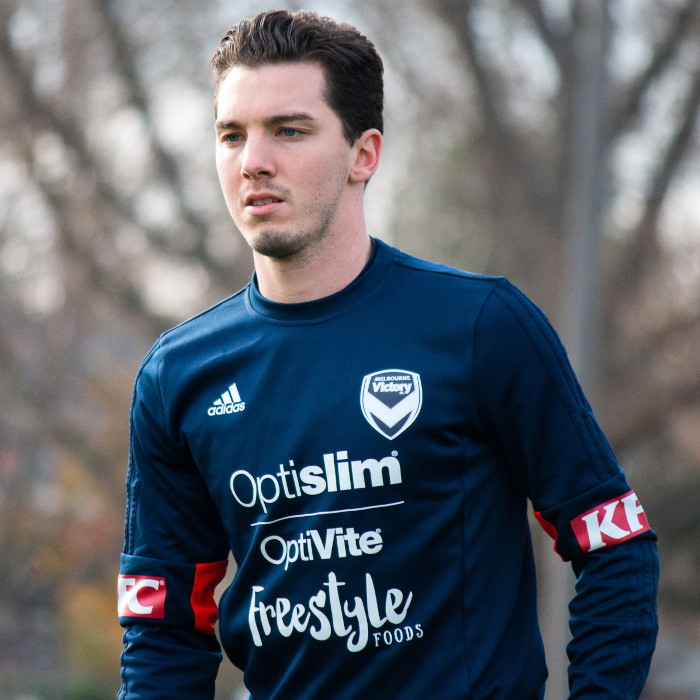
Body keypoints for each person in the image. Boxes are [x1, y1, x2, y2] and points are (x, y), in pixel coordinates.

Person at [117, 9, 658, 699]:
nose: (253, 161)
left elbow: (615, 545)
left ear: (364, 154)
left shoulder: (480, 326)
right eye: (232, 135)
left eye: (289, 130)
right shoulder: (178, 376)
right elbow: (161, 624)